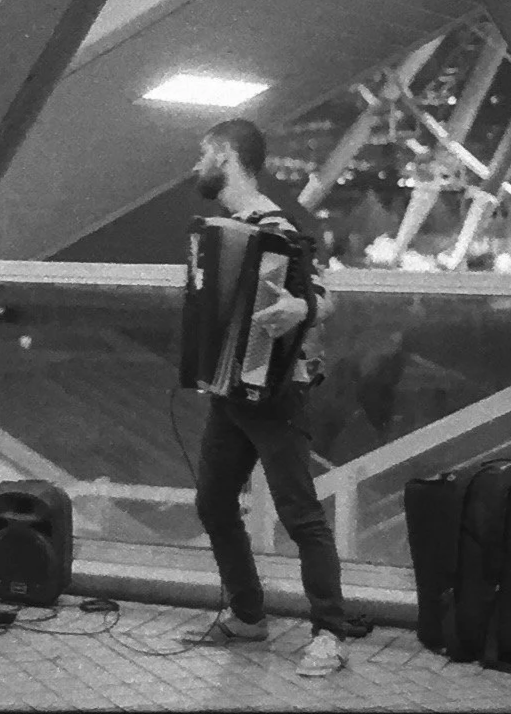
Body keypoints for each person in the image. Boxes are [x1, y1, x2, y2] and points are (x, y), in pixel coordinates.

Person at [181, 118, 360, 678]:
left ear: (228, 155)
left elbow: (324, 297)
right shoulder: (226, 229)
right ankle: (248, 614)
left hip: (276, 395)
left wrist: (300, 309)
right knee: (213, 503)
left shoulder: (279, 227)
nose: (196, 166)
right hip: (231, 395)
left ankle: (329, 634)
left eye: (203, 154)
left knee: (301, 517)